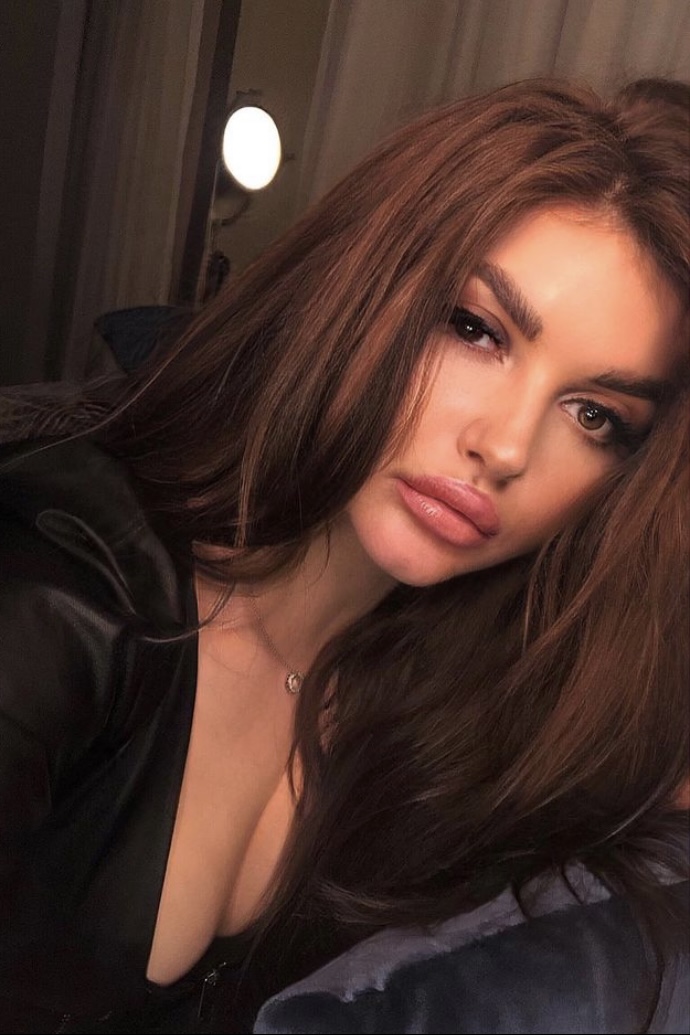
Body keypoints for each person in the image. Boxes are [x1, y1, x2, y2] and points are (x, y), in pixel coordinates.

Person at [0, 76, 688, 1034]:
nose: (505, 446)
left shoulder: (470, 705)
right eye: (475, 329)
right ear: (363, 283)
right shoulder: (54, 588)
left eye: (595, 415)